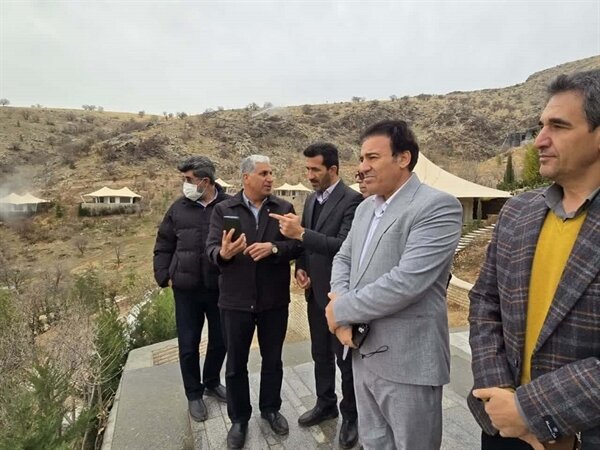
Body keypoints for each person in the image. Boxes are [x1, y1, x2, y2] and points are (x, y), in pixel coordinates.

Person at [468, 69, 600, 450]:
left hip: (577, 437)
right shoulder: (517, 212)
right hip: (500, 425)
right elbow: (485, 301)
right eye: (542, 126)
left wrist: (530, 410)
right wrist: (500, 398)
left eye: (558, 126)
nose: (540, 140)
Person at [325, 120, 463, 449]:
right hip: (361, 354)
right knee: (374, 443)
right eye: (361, 158)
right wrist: (341, 309)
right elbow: (343, 259)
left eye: (372, 157)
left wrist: (339, 310)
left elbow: (407, 281)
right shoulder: (364, 209)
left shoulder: (437, 206)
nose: (362, 167)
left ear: (403, 158)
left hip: (408, 362)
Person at [205, 155, 302, 449]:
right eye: (263, 173)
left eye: (271, 172)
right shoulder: (224, 209)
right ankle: (239, 419)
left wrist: (274, 248)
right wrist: (224, 254)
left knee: (273, 360)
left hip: (274, 300)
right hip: (235, 300)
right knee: (236, 364)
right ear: (246, 177)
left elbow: (297, 246)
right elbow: (210, 250)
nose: (270, 178)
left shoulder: (283, 209)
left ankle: (270, 409)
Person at [270, 143, 362, 448]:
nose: (309, 175)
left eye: (315, 170)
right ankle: (326, 404)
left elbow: (343, 246)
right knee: (320, 354)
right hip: (315, 295)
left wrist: (300, 233)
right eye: (307, 169)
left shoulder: (353, 201)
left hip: (340, 297)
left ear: (333, 169)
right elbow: (305, 245)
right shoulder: (310, 200)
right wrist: (301, 267)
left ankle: (351, 416)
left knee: (345, 361)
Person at [153, 156, 228, 422]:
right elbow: (163, 245)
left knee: (221, 340)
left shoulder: (228, 206)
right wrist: (165, 276)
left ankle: (211, 381)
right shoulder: (178, 208)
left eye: (188, 179)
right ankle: (194, 394)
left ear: (205, 181)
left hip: (219, 288)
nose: (184, 184)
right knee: (188, 344)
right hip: (186, 290)